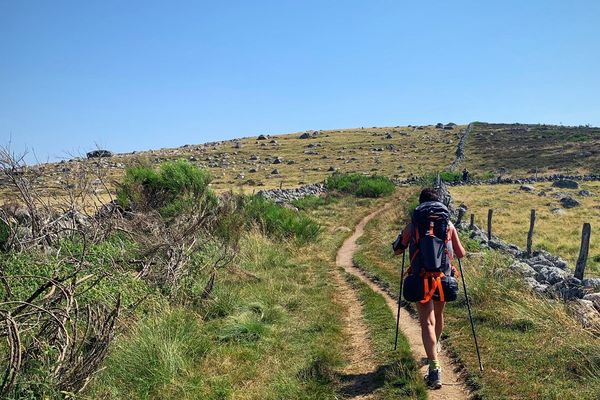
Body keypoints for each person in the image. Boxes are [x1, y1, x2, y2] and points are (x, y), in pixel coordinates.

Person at [392, 188, 466, 389]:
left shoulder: (414, 223)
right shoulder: (448, 224)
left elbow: (398, 249)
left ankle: (434, 368)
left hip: (420, 277)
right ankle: (436, 345)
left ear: (420, 204)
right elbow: (460, 254)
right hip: (443, 278)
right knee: (438, 316)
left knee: (426, 321)